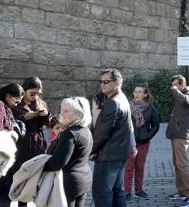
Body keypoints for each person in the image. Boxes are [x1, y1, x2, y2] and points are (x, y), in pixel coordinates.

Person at [91, 68, 133, 207]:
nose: (102, 84)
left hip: (108, 155)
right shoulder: (122, 98)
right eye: (101, 81)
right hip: (118, 154)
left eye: (106, 81)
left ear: (118, 82)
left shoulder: (112, 102)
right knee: (116, 191)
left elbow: (103, 132)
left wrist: (92, 150)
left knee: (102, 194)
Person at [43, 97, 93, 207]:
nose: (61, 113)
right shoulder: (85, 130)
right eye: (61, 110)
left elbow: (58, 162)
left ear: (79, 114)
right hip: (83, 178)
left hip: (69, 182)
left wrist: (40, 166)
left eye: (66, 111)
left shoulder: (70, 133)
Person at [0, 83, 25, 207]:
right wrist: (13, 133)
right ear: (8, 96)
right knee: (4, 190)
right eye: (16, 101)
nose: (17, 105)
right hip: (0, 155)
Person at [13, 76, 50, 206]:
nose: (35, 96)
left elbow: (46, 125)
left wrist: (46, 115)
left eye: (38, 94)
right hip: (22, 147)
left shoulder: (41, 103)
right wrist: (24, 117)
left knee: (37, 181)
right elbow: (12, 124)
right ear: (24, 91)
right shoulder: (17, 104)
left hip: (38, 145)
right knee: (23, 183)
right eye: (32, 93)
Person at [166, 75, 189, 207]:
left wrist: (175, 90)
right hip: (176, 134)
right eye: (172, 85)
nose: (173, 87)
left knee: (182, 164)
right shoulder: (181, 94)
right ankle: (182, 192)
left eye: (176, 85)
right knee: (178, 164)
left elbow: (185, 100)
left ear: (182, 85)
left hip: (182, 135)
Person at [124, 83, 160, 201]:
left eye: (140, 92)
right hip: (129, 141)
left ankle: (139, 190)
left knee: (140, 166)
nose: (137, 94)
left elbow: (156, 125)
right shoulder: (126, 107)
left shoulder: (150, 108)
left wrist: (148, 136)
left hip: (143, 142)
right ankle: (127, 191)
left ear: (145, 94)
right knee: (129, 167)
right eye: (135, 91)